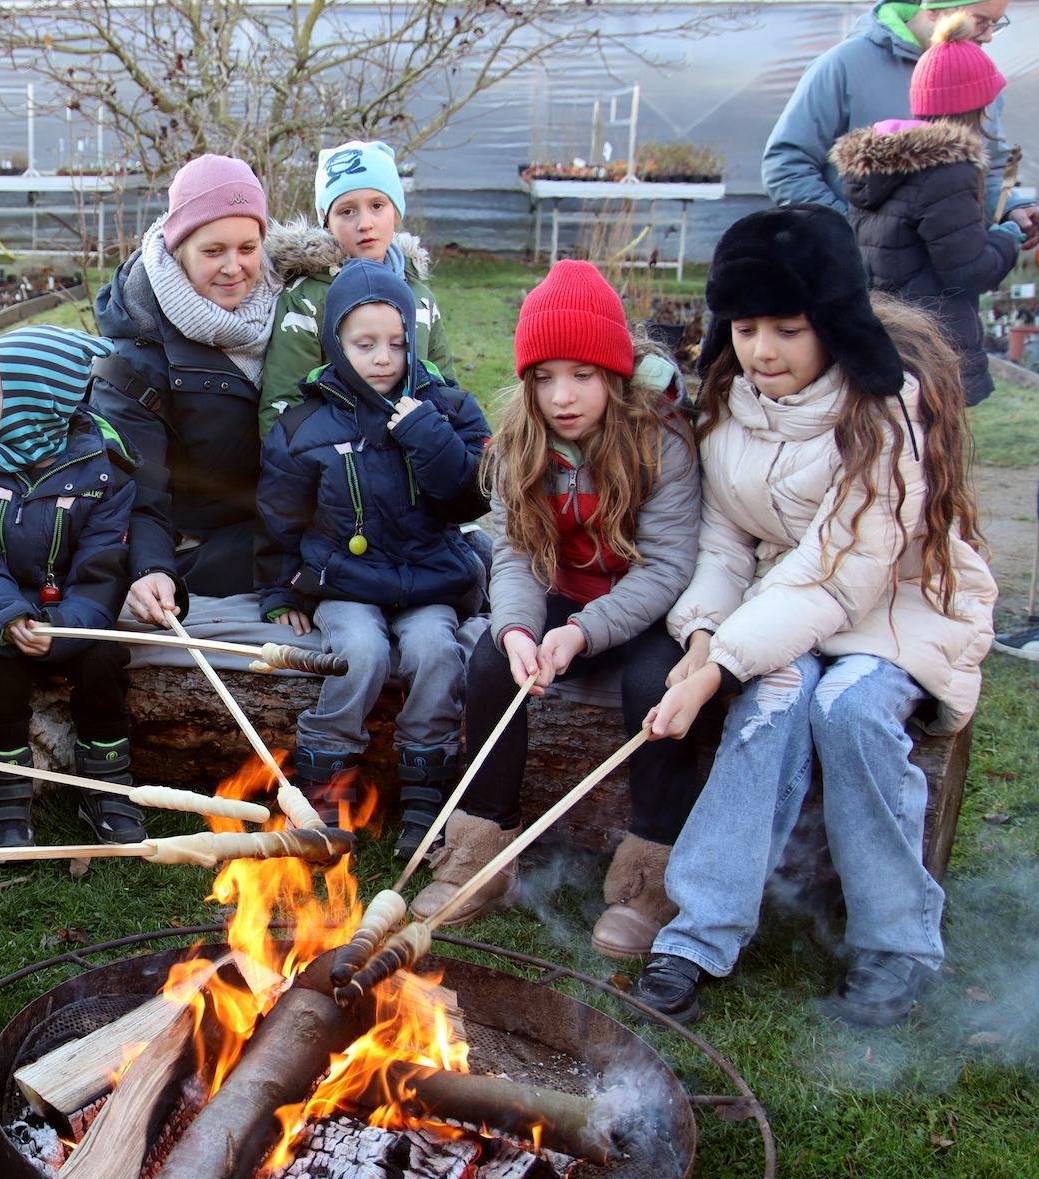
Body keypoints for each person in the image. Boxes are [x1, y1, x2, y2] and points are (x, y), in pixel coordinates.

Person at [633, 206, 997, 1029]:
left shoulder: (882, 414)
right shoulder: (732, 405)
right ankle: (699, 930)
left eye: (788, 329)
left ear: (831, 321)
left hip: (897, 604)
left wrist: (725, 659)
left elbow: (840, 573)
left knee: (850, 710)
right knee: (771, 704)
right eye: (748, 327)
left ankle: (895, 939)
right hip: (783, 605)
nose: (764, 350)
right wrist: (701, 639)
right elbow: (727, 545)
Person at [418, 261, 702, 953]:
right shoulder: (524, 441)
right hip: (566, 593)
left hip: (648, 609)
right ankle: (482, 853)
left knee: (657, 687)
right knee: (489, 660)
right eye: (544, 377)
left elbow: (669, 565)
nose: (562, 396)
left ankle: (647, 878)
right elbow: (516, 551)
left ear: (614, 372)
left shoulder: (662, 442)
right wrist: (520, 628)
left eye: (581, 374)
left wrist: (581, 633)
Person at [255, 258, 490, 845]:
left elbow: (469, 499)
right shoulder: (304, 425)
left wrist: (425, 433)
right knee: (362, 651)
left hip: (429, 577)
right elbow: (279, 517)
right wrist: (281, 589)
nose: (382, 358)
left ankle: (424, 789)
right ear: (336, 342)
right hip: (347, 580)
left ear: (413, 339)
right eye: (364, 344)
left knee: (436, 651)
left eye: (395, 342)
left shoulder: (449, 408)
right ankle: (326, 782)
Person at [0, 326, 145, 848]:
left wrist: (64, 629)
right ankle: (7, 794)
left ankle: (106, 785)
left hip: (72, 612)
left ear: (38, 403)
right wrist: (7, 617)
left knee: (102, 660)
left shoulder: (105, 472)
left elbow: (102, 570)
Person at [90, 153, 281, 621]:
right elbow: (136, 483)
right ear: (178, 249)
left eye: (247, 248)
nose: (234, 267)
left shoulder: (296, 313)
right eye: (213, 251)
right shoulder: (134, 357)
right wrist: (153, 567)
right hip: (200, 546)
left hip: (286, 517)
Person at [831, 12, 1021, 406]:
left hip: (890, 342)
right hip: (933, 347)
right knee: (933, 461)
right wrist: (1007, 237)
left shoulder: (885, 165)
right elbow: (968, 270)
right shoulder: (948, 172)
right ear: (976, 106)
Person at [761, 0, 1038, 248]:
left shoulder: (979, 75)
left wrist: (1011, 208)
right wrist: (850, 234)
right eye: (981, 21)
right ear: (935, 11)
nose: (989, 36)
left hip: (946, 279)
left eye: (996, 23)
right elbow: (786, 164)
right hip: (857, 284)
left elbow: (989, 167)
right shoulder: (844, 65)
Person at [258, 139, 453, 432]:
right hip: (337, 465)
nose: (365, 223)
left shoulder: (419, 297)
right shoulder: (308, 300)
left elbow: (446, 389)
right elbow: (285, 404)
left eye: (377, 205)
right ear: (326, 222)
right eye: (347, 211)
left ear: (396, 212)